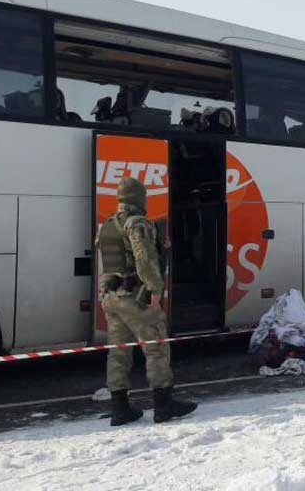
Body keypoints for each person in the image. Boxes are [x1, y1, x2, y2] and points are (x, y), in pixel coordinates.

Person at [96, 177, 197, 425]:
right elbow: (143, 259)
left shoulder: (107, 225)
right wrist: (155, 289)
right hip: (134, 297)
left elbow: (110, 261)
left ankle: (120, 408)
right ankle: (164, 405)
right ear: (139, 198)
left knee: (118, 352)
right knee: (156, 346)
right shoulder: (137, 223)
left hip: (111, 297)